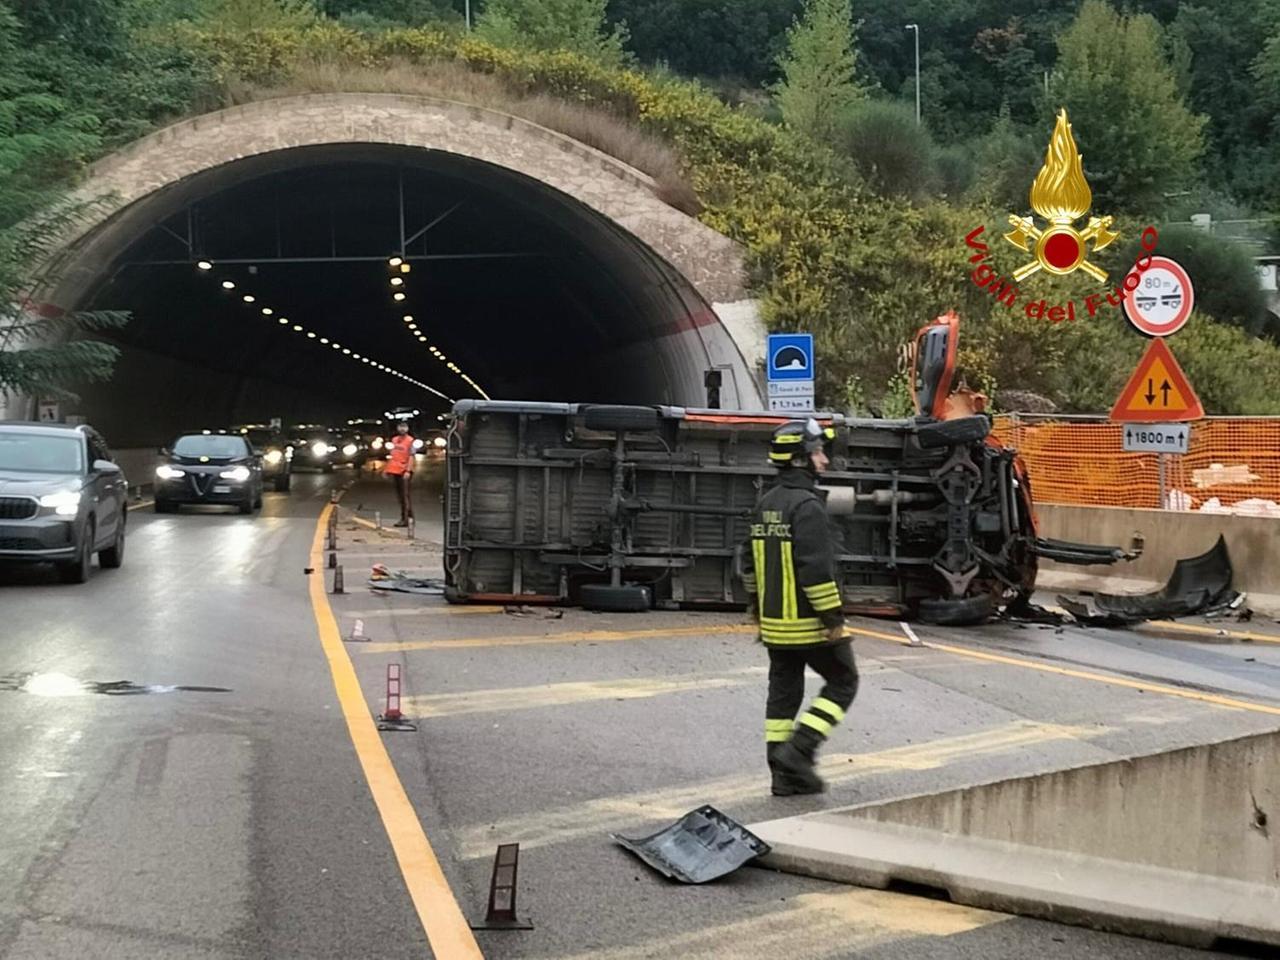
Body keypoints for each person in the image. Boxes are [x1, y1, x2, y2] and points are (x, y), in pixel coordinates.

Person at [742, 418, 859, 796]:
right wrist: (833, 621)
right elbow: (816, 572)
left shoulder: (765, 504)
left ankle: (782, 775)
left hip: (776, 626)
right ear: (799, 460)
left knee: (783, 696)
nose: (823, 461)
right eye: (817, 453)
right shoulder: (808, 507)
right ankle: (800, 751)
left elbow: (748, 566)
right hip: (808, 624)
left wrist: (758, 611)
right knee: (844, 682)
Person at [384, 420, 415, 527]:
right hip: (395, 471)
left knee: (404, 496)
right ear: (397, 428)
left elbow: (411, 457)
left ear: (408, 429)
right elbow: (393, 457)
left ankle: (405, 519)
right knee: (400, 496)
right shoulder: (394, 440)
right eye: (400, 426)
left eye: (405, 427)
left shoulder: (410, 441)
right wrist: (386, 470)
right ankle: (409, 517)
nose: (402, 429)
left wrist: (408, 471)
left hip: (404, 472)